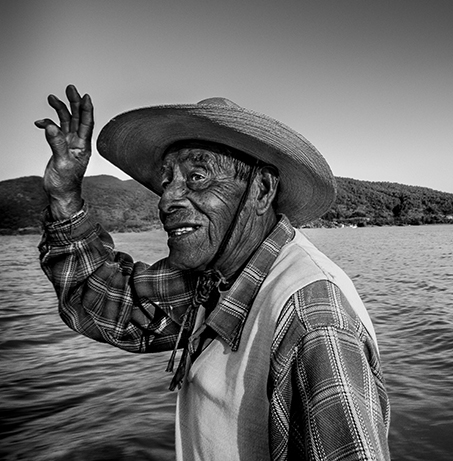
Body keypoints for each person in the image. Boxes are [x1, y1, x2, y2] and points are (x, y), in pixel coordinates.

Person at [36, 85, 390, 460]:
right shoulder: (217, 280)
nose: (167, 199)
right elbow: (104, 298)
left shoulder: (312, 320)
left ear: (262, 190)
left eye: (197, 177)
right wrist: (65, 195)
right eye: (167, 180)